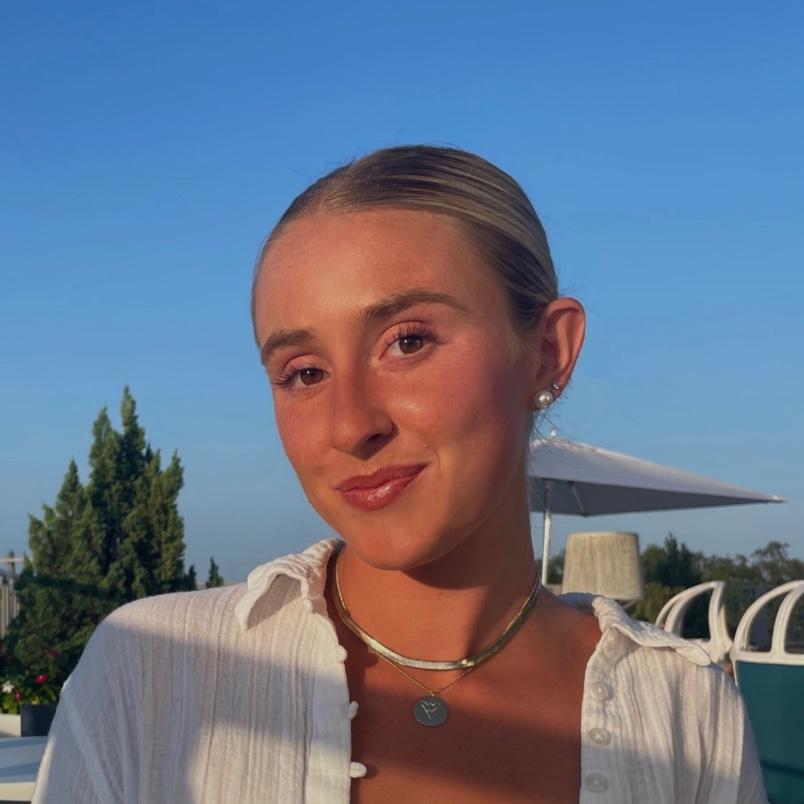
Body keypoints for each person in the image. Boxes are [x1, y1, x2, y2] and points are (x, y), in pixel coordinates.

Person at [32, 146, 767, 803]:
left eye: (407, 341)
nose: (350, 425)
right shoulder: (152, 674)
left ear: (548, 351)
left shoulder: (685, 713)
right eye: (304, 372)